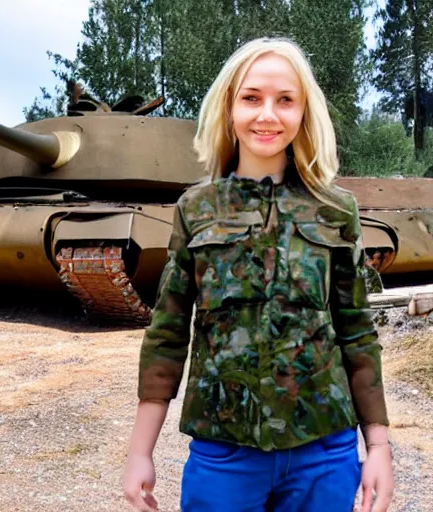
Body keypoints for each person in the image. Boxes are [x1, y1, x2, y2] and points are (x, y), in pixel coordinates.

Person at [123, 37, 394, 512]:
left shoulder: (335, 210)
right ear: (229, 107)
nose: (267, 114)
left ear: (303, 111)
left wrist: (379, 448)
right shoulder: (197, 208)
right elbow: (166, 333)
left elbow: (356, 331)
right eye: (251, 98)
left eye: (285, 100)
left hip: (323, 450)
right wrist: (139, 452)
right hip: (223, 451)